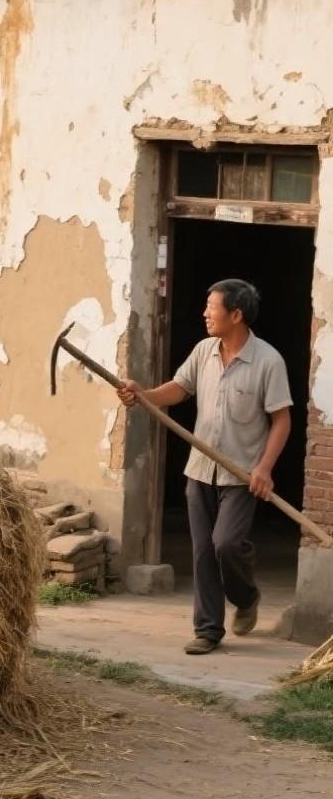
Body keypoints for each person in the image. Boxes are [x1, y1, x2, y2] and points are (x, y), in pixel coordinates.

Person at [118, 278, 292, 655]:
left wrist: (264, 468)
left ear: (236, 314)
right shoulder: (204, 351)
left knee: (226, 544)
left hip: (242, 475)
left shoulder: (268, 361)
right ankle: (208, 630)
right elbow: (179, 388)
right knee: (202, 553)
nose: (205, 313)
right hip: (199, 471)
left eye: (211, 307)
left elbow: (282, 420)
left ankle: (245, 599)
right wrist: (143, 394)